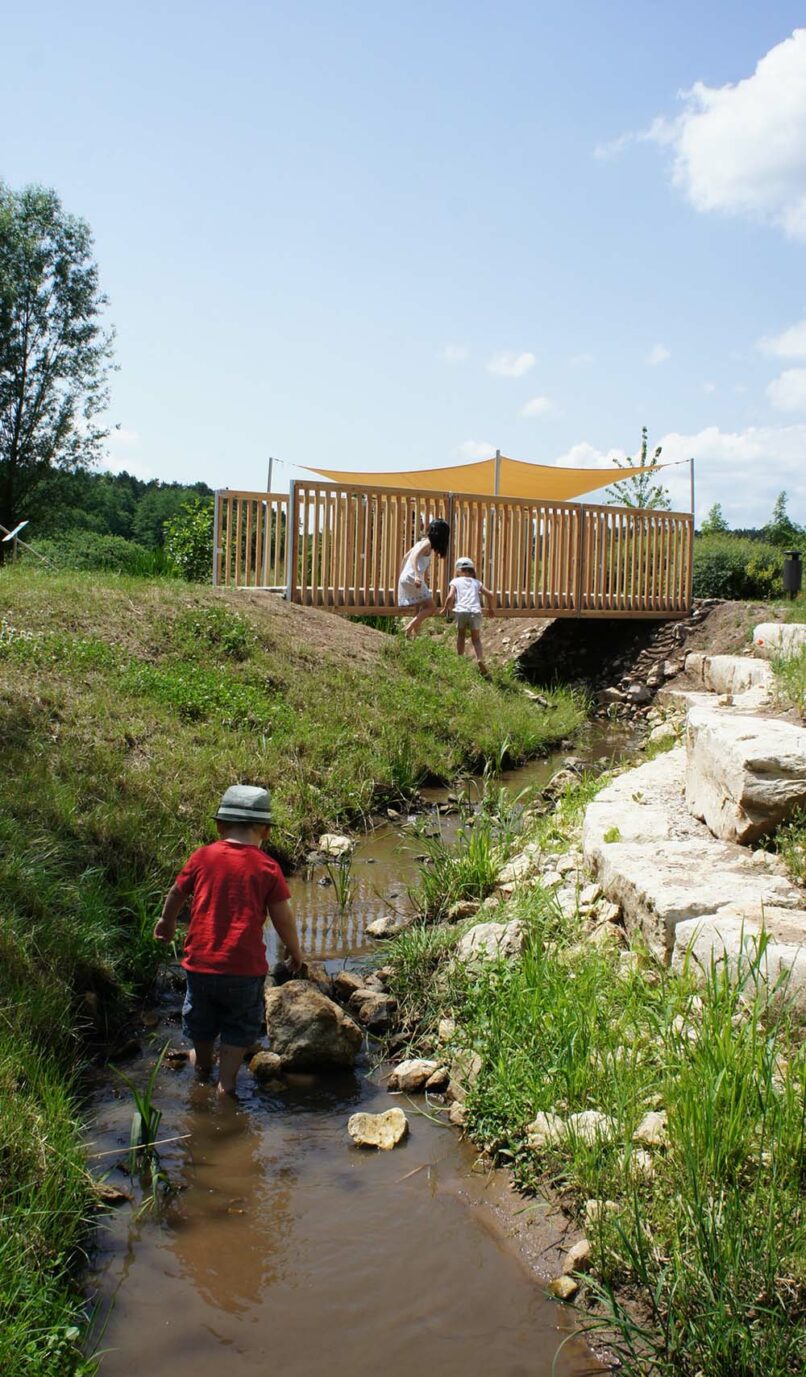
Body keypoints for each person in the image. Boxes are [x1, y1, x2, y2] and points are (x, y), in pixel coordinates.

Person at [154, 784, 303, 1098]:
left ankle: (202, 1067)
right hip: (244, 969)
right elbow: (282, 918)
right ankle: (227, 1084)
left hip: (201, 964)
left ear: (220, 825)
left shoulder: (202, 856)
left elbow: (177, 893)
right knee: (238, 1025)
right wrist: (295, 949)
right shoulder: (267, 868)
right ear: (266, 831)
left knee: (201, 1020)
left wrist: (166, 922)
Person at [397, 517, 451, 639]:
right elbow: (414, 557)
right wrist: (416, 575)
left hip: (406, 577)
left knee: (419, 607)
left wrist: (403, 574)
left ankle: (414, 635)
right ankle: (408, 627)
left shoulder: (420, 542)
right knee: (431, 607)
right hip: (412, 577)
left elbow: (405, 557)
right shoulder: (429, 543)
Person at [442, 556, 495, 675]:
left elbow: (450, 597)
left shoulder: (455, 581)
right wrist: (491, 609)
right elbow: (490, 595)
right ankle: (480, 659)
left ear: (459, 570)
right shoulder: (477, 583)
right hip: (475, 611)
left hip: (461, 611)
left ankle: (460, 659)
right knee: (476, 639)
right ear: (471, 570)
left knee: (461, 635)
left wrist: (445, 609)